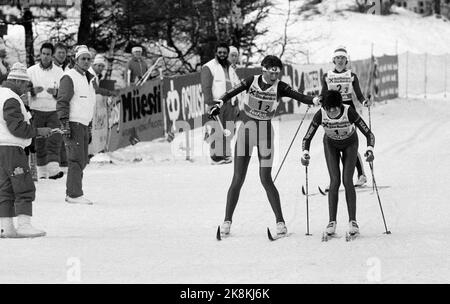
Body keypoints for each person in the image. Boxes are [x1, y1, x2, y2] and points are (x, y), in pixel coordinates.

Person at [210, 55, 321, 237]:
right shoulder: (251, 81)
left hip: (265, 135)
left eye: (277, 74)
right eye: (271, 73)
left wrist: (314, 100)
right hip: (246, 133)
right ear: (264, 70)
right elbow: (230, 92)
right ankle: (227, 221)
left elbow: (299, 96)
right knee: (237, 179)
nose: (274, 77)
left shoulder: (280, 86)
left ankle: (280, 223)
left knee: (265, 178)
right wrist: (219, 103)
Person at [301, 90, 375, 237]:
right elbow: (306, 138)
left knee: (347, 180)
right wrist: (305, 153)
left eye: (336, 107)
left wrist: (370, 149)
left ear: (340, 105)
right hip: (331, 144)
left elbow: (369, 134)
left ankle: (353, 221)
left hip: (350, 143)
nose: (333, 111)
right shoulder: (320, 114)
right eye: (330, 108)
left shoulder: (349, 112)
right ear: (325, 108)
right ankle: (331, 222)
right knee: (334, 181)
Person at [0, 63, 51, 238]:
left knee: (5, 188)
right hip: (12, 149)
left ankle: (5, 226)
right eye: (25, 84)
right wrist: (37, 132)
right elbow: (16, 127)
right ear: (17, 81)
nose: (26, 89)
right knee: (23, 186)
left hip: (1, 149)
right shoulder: (11, 98)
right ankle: (24, 225)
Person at [321, 46, 371, 187]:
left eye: (343, 58)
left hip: (348, 110)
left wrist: (364, 102)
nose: (340, 60)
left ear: (346, 60)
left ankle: (360, 174)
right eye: (338, 58)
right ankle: (336, 180)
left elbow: (359, 95)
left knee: (347, 142)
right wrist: (318, 100)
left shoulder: (351, 75)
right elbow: (323, 94)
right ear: (333, 60)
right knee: (334, 142)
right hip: (331, 110)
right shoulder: (327, 76)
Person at [56, 45, 96, 205]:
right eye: (83, 59)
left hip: (84, 123)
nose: (86, 62)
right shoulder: (69, 76)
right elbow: (62, 101)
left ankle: (74, 191)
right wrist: (64, 123)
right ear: (76, 60)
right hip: (73, 123)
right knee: (75, 159)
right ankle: (74, 194)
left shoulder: (89, 78)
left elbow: (89, 102)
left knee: (83, 160)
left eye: (88, 59)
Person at [27, 42, 65, 179]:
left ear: (52, 55)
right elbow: (23, 89)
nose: (46, 57)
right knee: (39, 140)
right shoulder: (31, 71)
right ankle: (42, 170)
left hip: (53, 110)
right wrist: (32, 91)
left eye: (48, 54)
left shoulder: (59, 72)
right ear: (40, 54)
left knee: (54, 138)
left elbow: (65, 92)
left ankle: (54, 169)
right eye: (43, 54)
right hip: (36, 109)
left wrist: (56, 92)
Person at [201, 42, 240, 164]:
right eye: (220, 52)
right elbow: (206, 87)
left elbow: (235, 85)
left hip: (230, 103)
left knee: (229, 129)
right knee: (217, 129)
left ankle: (225, 153)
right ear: (216, 53)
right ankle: (216, 156)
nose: (222, 55)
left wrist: (237, 102)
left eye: (224, 52)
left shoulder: (230, 68)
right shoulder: (209, 67)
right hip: (217, 103)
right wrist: (210, 103)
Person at [53, 42, 70, 173]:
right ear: (54, 54)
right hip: (50, 107)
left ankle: (63, 162)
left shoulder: (65, 68)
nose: (62, 55)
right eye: (59, 52)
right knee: (55, 137)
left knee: (63, 134)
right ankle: (56, 164)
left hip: (62, 106)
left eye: (64, 53)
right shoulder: (53, 69)